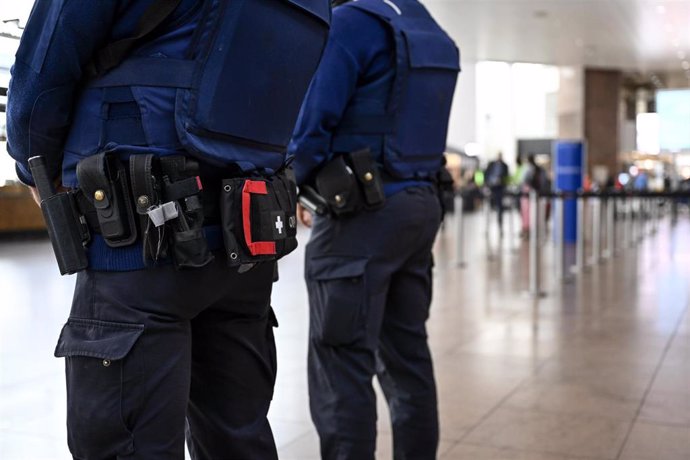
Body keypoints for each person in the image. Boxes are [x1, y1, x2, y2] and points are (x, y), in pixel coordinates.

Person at [6, 1, 329, 458]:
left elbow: (42, 76)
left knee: (128, 446)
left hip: (138, 252)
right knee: (237, 439)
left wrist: (34, 168)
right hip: (245, 242)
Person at [288, 0, 460, 458]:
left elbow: (310, 126)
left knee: (341, 363)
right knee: (409, 362)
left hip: (358, 221)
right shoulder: (430, 29)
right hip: (420, 207)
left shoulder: (351, 24)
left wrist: (296, 183)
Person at [484, 152, 509, 233]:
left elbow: (506, 176)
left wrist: (501, 181)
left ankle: (499, 220)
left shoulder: (505, 166)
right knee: (489, 205)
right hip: (491, 187)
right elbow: (486, 174)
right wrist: (487, 183)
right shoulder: (491, 164)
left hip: (500, 188)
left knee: (499, 205)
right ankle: (487, 224)